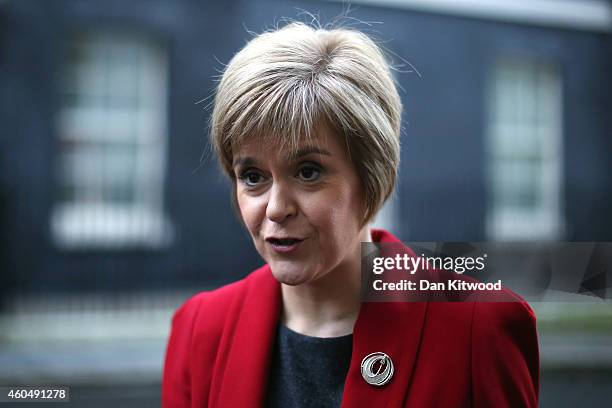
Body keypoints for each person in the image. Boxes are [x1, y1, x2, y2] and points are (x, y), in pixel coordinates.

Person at [162, 21, 539, 407]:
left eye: (309, 171)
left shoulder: (480, 331)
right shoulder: (199, 329)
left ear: (372, 175)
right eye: (253, 176)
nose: (276, 208)